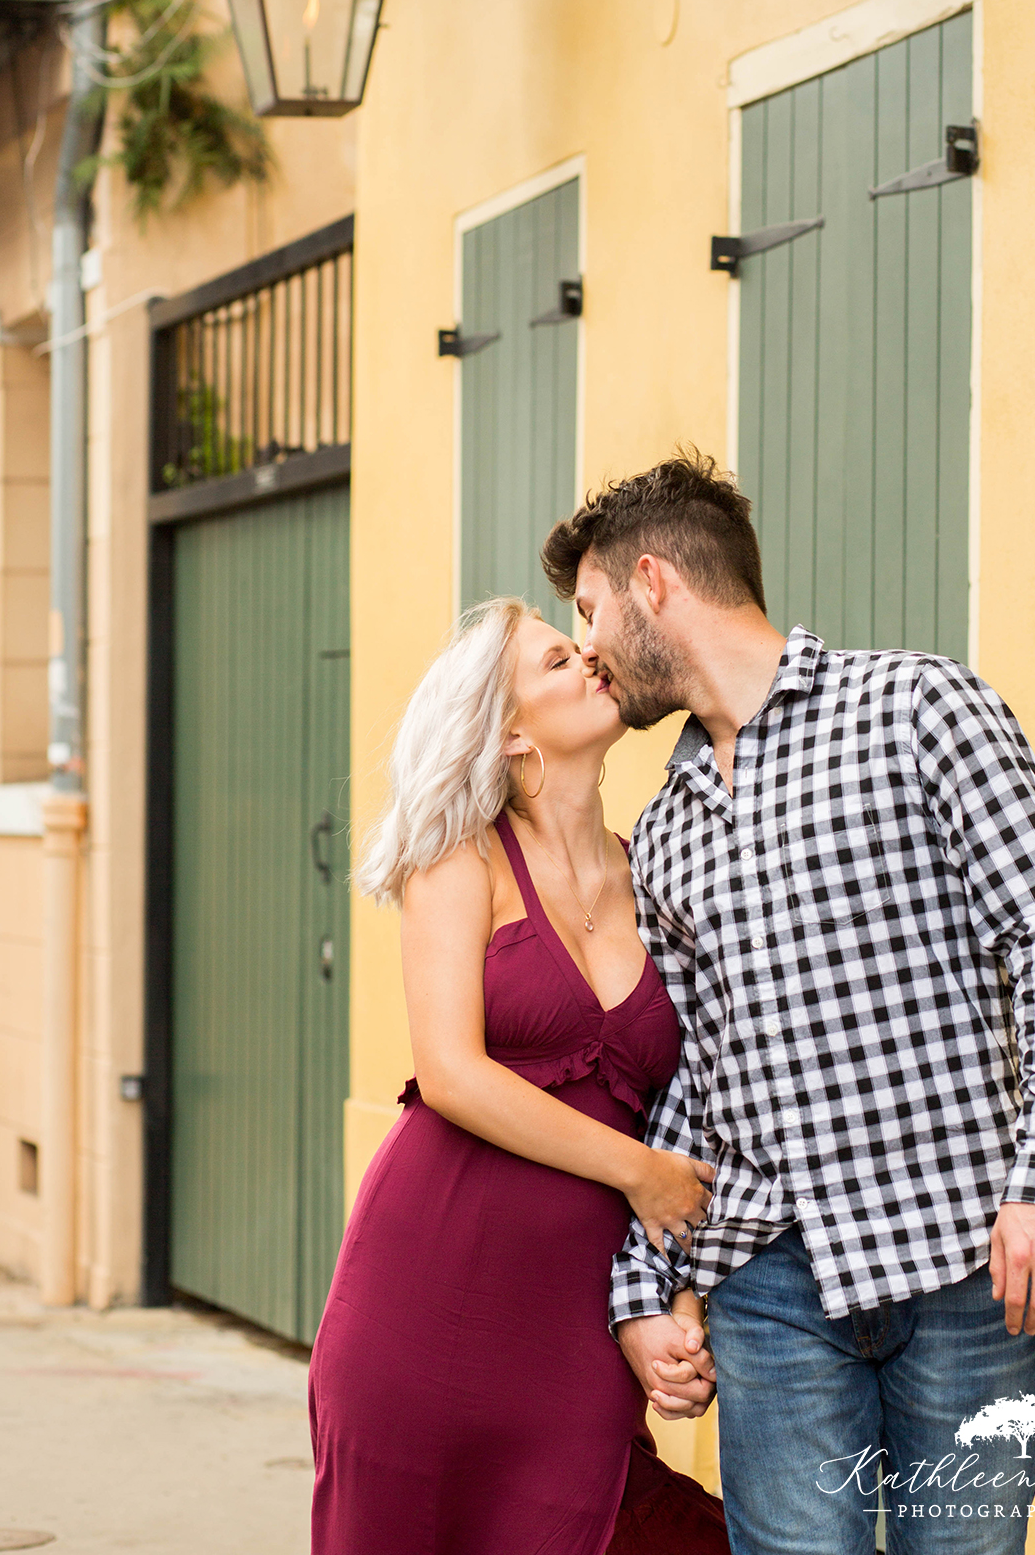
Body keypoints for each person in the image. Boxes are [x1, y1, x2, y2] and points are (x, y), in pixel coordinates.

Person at [539, 452, 1035, 1555]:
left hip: (962, 1269)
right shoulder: (665, 833)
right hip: (772, 1290)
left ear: (653, 582)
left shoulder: (920, 708)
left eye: (591, 609)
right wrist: (640, 1290)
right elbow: (690, 1081)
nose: (589, 651)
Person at [307, 597, 729, 1555]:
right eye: (554, 662)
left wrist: (680, 1301)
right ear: (508, 732)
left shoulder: (657, 869)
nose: (590, 661)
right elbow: (450, 1072)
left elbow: (701, 1101)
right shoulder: (460, 861)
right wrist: (635, 1170)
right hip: (421, 1308)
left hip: (578, 1327)